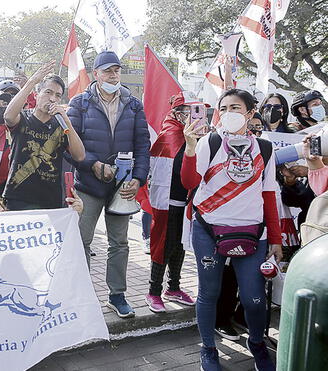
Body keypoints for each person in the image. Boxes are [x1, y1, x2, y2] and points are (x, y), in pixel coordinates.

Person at [180, 88, 283, 371]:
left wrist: (275, 237)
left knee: (254, 298)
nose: (228, 113)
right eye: (223, 108)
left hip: (253, 233)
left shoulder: (264, 148)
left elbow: (269, 194)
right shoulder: (209, 143)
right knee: (208, 293)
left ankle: (257, 344)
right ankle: (208, 349)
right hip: (209, 231)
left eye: (235, 108)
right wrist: (190, 147)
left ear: (250, 113)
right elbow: (189, 182)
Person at [66, 51, 150, 318]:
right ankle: (79, 297)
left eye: (116, 71)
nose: (113, 76)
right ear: (95, 74)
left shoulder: (134, 104)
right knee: (82, 241)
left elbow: (143, 146)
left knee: (120, 243)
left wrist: (138, 178)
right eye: (107, 71)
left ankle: (117, 295)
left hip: (122, 187)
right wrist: (93, 165)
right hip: (88, 186)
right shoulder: (79, 103)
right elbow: (68, 145)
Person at [2, 60, 85, 211]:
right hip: (18, 198)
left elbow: (79, 156)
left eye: (58, 95)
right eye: (48, 92)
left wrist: (67, 121)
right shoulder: (23, 119)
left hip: (50, 202)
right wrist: (32, 80)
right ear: (37, 94)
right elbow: (8, 116)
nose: (53, 98)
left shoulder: (62, 125)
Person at [145, 92, 199, 313]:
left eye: (195, 111)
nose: (192, 116)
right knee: (163, 247)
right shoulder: (169, 134)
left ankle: (173, 288)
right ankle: (153, 291)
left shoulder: (195, 136)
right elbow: (175, 168)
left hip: (184, 202)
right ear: (177, 113)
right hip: (166, 203)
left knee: (179, 246)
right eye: (187, 111)